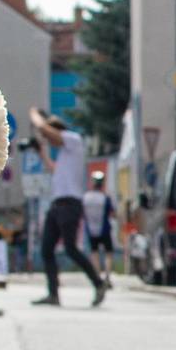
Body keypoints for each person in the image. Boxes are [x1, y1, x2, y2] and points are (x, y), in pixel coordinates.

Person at [25, 109, 107, 307]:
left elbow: (44, 128)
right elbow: (54, 170)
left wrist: (35, 115)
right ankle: (53, 294)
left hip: (70, 204)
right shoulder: (64, 154)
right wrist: (42, 152)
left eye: (49, 137)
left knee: (71, 248)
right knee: (46, 249)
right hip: (57, 204)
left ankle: (98, 283)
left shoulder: (73, 140)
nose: (49, 141)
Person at [80, 172, 118, 273]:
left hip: (90, 230)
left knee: (94, 252)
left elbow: (82, 213)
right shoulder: (105, 198)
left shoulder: (85, 197)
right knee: (108, 252)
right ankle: (107, 275)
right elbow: (113, 214)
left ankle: (97, 275)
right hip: (105, 229)